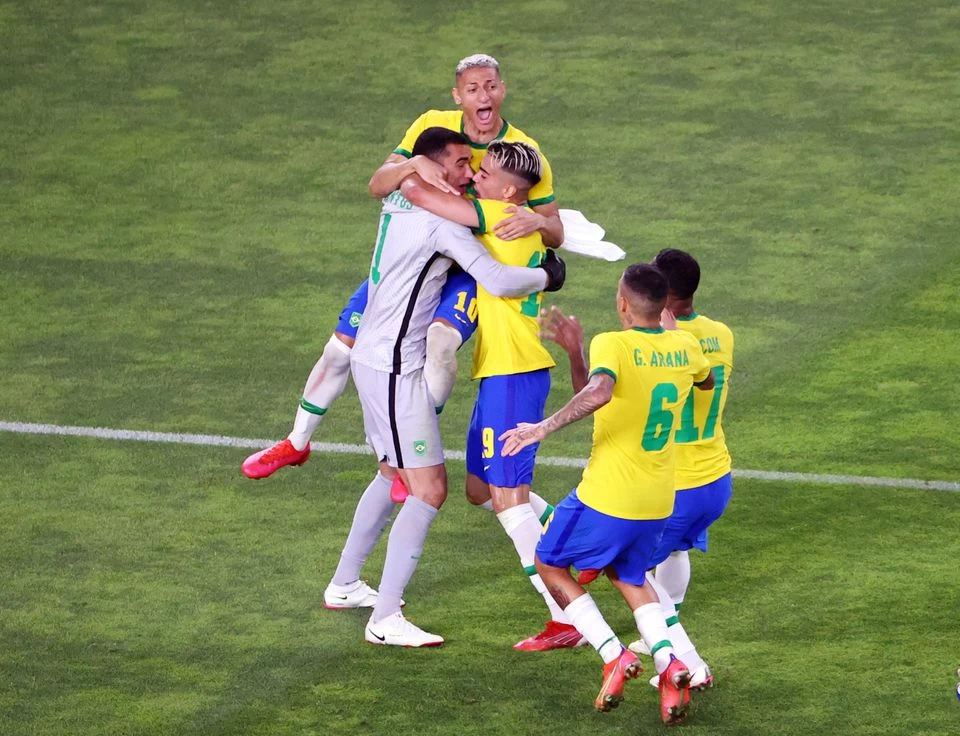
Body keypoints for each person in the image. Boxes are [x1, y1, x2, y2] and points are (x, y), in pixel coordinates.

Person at [241, 52, 564, 481]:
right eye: (473, 89)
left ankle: (411, 456)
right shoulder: (431, 125)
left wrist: (541, 221)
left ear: (502, 90)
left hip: (467, 266)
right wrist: (411, 164)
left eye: (490, 86)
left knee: (440, 343)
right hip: (412, 261)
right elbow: (378, 184)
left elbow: (555, 230)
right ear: (458, 96)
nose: (483, 96)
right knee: (340, 349)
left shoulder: (523, 151)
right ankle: (297, 442)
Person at [323, 127, 566, 647]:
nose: (468, 173)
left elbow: (388, 181)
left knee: (396, 473)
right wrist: (549, 275)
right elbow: (498, 280)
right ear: (434, 166)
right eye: (461, 164)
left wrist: (411, 169)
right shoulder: (444, 223)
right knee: (429, 489)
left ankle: (344, 584)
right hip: (395, 367)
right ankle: (385, 619)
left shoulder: (399, 196)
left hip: (379, 358)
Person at [499, 264, 714, 725]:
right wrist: (577, 352)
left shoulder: (613, 343)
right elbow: (705, 381)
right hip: (658, 499)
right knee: (630, 575)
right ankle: (670, 661)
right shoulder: (685, 346)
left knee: (549, 562)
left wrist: (542, 427)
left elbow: (598, 393)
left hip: (608, 494)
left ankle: (612, 653)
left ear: (622, 304)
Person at [400, 140, 583, 651]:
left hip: (515, 376)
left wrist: (409, 165)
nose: (475, 175)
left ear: (507, 191)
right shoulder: (514, 213)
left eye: (486, 171)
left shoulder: (498, 212)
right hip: (503, 373)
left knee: (509, 504)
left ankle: (563, 615)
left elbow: (422, 195)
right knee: (480, 492)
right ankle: (576, 535)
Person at [541, 249, 734, 691]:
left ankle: (686, 660)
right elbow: (703, 379)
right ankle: (661, 642)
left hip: (673, 480)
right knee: (669, 555)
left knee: (627, 572)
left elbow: (598, 393)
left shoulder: (633, 343)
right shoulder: (718, 335)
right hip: (716, 475)